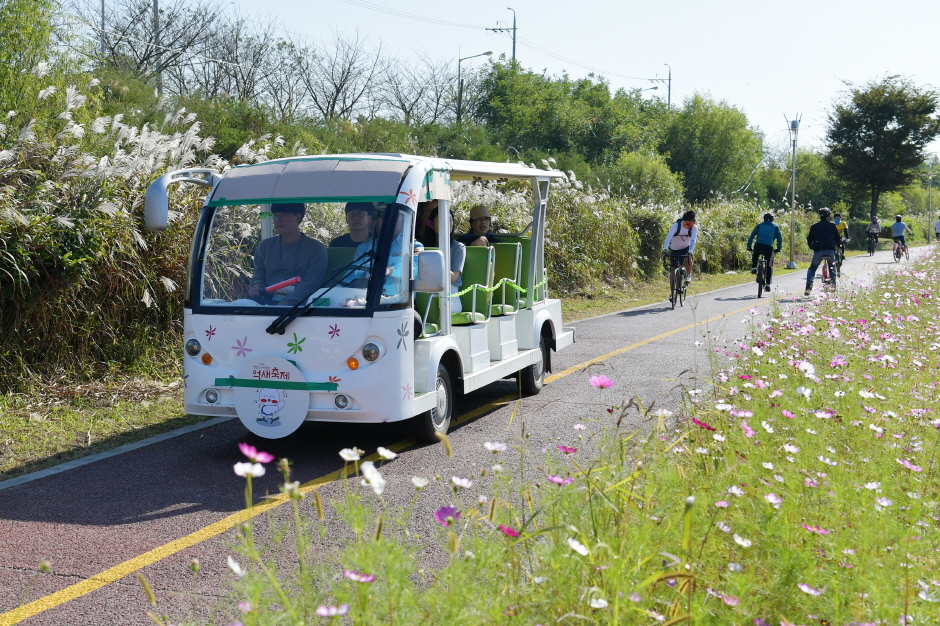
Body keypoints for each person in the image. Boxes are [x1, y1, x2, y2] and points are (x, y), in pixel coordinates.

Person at [248, 203, 328, 305]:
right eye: (275, 215)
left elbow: (311, 283)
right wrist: (257, 285)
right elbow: (258, 274)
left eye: (284, 215)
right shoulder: (265, 246)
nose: (277, 220)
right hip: (264, 302)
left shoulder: (316, 248)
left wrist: (287, 302)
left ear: (298, 217)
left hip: (298, 306)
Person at [429, 206, 465, 314]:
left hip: (450, 295)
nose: (446, 223)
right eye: (440, 220)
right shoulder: (424, 246)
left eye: (449, 220)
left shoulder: (458, 247)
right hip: (427, 291)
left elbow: (453, 277)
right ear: (431, 224)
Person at [804, 208, 841, 297]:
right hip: (830, 251)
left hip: (818, 251)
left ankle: (809, 286)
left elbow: (809, 238)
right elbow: (837, 238)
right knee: (832, 267)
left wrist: (811, 246)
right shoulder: (832, 225)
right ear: (828, 217)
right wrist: (838, 246)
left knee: (812, 269)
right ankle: (833, 286)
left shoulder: (814, 226)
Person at [662, 210, 698, 300]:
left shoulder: (694, 228)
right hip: (675, 249)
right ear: (683, 220)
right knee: (673, 271)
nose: (688, 225)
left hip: (686, 247)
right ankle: (672, 293)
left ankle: (688, 275)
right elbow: (668, 238)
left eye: (691, 223)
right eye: (686, 223)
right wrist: (665, 249)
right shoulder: (676, 226)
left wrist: (690, 251)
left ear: (694, 222)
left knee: (688, 258)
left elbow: (693, 241)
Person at [746, 213, 782, 291]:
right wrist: (779, 248)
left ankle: (754, 267)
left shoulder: (759, 225)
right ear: (772, 219)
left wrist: (749, 246)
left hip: (758, 245)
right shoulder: (775, 226)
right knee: (769, 266)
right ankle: (768, 285)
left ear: (764, 219)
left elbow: (752, 236)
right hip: (769, 247)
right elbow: (779, 239)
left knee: (755, 255)